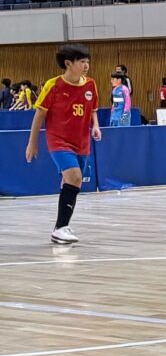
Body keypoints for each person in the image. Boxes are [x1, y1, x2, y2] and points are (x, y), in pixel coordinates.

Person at [27, 45, 99, 246]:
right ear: (68, 64)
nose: (86, 65)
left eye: (87, 61)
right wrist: (32, 142)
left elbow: (93, 108)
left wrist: (96, 126)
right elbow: (39, 114)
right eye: (82, 62)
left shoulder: (90, 84)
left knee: (71, 182)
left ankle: (61, 227)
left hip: (82, 142)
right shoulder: (53, 85)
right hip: (59, 141)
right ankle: (60, 228)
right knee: (75, 177)